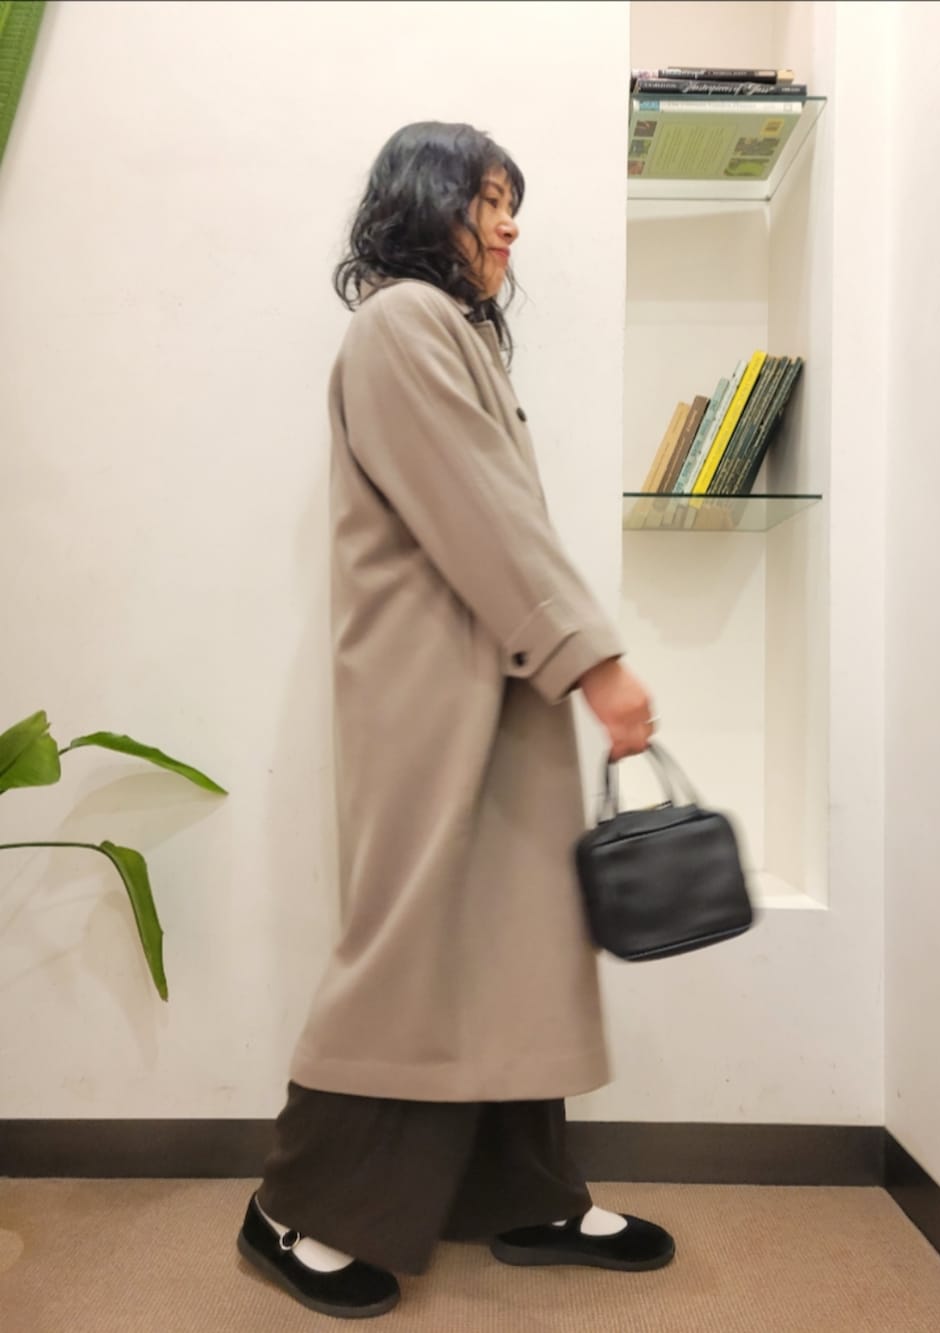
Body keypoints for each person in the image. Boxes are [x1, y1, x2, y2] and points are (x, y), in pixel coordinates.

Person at [236, 121, 674, 1320]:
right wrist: (595, 664)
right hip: (431, 698)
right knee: (411, 946)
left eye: (510, 202)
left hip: (488, 684)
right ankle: (291, 1206)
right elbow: (483, 514)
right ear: (426, 203)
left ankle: (523, 1196)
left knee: (511, 938)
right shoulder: (402, 325)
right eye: (488, 199)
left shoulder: (449, 330)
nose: (509, 224)